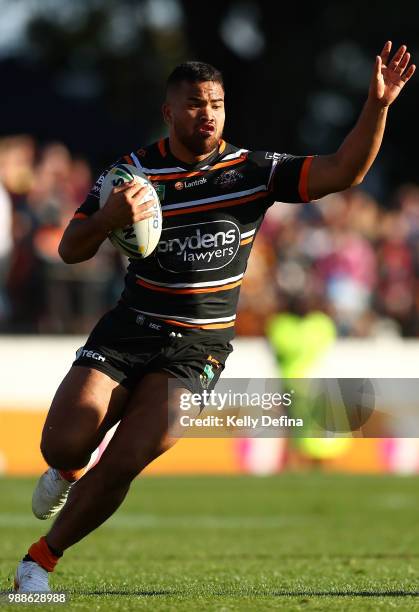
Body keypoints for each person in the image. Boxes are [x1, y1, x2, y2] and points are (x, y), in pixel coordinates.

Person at [14, 41, 415, 592]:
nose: (208, 114)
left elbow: (342, 171)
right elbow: (68, 249)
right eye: (196, 104)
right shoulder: (130, 173)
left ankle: (39, 562)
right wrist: (109, 216)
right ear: (170, 112)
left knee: (128, 456)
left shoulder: (252, 171)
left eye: (217, 104)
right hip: (129, 330)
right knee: (63, 443)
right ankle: (64, 468)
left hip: (196, 348)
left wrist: (379, 105)